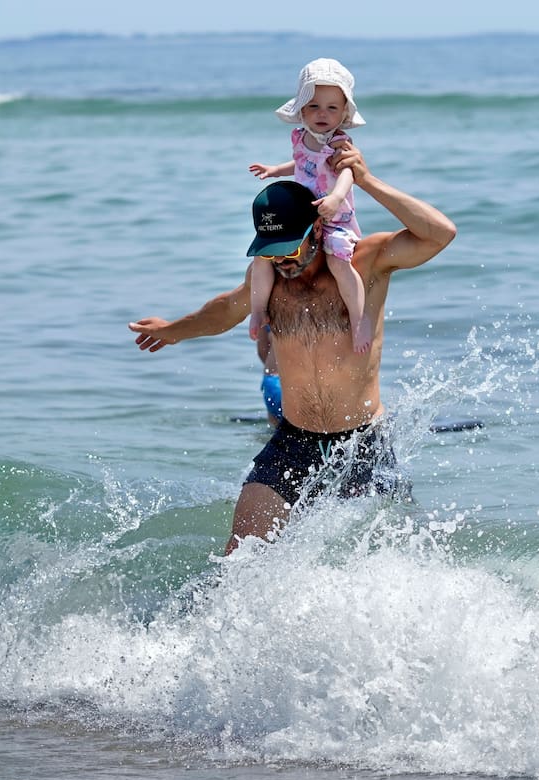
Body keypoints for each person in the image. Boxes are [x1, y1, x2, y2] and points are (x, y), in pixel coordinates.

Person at [129, 140, 456, 556]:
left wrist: (367, 180)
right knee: (241, 555)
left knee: (393, 558)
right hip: (294, 440)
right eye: (271, 252)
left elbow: (440, 233)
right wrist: (174, 330)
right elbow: (223, 311)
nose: (282, 261)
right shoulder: (269, 276)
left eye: (290, 248)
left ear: (317, 228)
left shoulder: (364, 261)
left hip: (363, 442)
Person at [248, 58, 372, 354]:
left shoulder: (340, 143)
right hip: (301, 214)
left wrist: (336, 197)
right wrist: (276, 170)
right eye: (314, 106)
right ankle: (257, 309)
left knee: (338, 261)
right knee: (264, 258)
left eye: (332, 108)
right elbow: (302, 164)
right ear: (302, 109)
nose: (322, 114)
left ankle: (358, 319)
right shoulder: (302, 138)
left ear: (343, 113)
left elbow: (346, 173)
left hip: (333, 215)